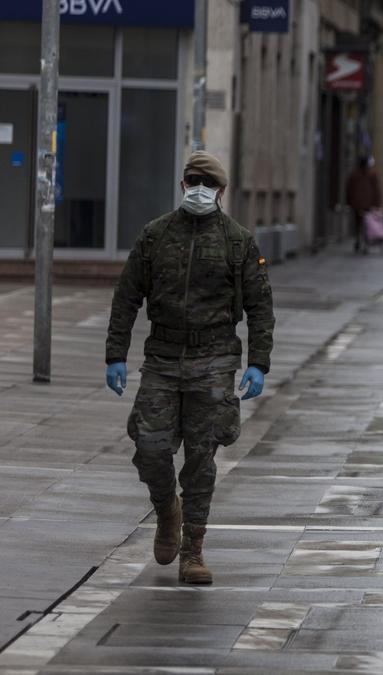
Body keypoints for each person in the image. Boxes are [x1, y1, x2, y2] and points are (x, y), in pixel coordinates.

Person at [105, 151, 275, 586]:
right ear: (183, 186)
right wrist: (115, 354)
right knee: (149, 446)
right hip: (162, 357)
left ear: (220, 191)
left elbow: (260, 307)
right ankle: (167, 511)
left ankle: (193, 551)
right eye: (192, 180)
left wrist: (258, 363)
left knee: (201, 459)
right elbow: (127, 297)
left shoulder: (238, 241)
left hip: (215, 358)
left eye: (207, 182)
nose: (198, 188)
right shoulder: (155, 236)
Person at [345, 156, 382, 254]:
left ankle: (358, 239)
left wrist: (349, 202)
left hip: (357, 204)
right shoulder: (372, 175)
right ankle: (365, 243)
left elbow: (349, 189)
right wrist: (377, 204)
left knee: (358, 223)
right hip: (368, 204)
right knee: (367, 223)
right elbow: (376, 191)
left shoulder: (354, 174)